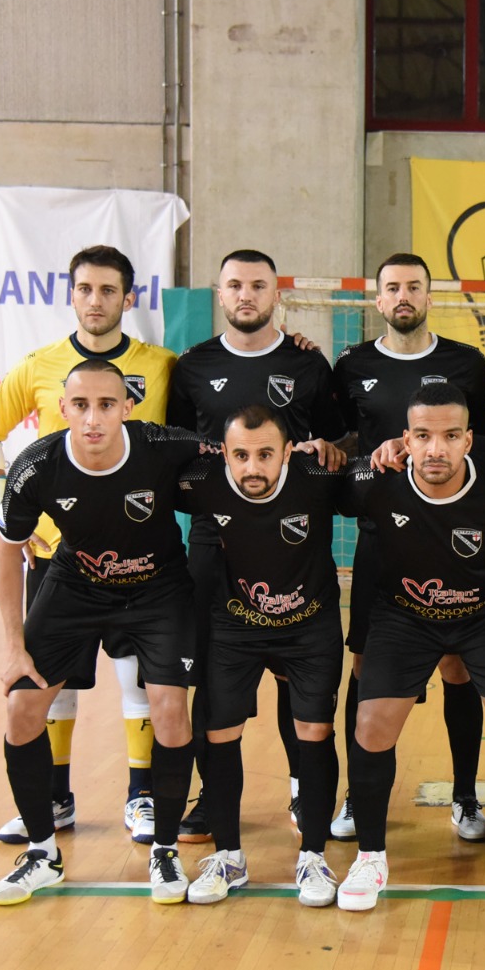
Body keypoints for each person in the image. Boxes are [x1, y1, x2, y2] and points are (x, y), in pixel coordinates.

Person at [0, 244, 176, 848]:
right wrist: (4, 508)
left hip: (139, 558)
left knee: (139, 679)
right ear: (71, 294)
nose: (95, 300)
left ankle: (141, 796)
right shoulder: (40, 365)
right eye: (85, 288)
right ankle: (55, 798)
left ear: (128, 298)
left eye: (109, 290)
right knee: (49, 684)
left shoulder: (161, 366)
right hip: (58, 558)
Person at [0, 360, 212, 906]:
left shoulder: (162, 444)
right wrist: (14, 648)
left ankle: (164, 849)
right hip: (75, 585)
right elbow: (7, 551)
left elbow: (238, 453)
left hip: (158, 588)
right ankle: (42, 853)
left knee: (170, 711)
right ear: (62, 409)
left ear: (127, 408)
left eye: (107, 405)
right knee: (21, 709)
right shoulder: (35, 467)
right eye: (82, 406)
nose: (93, 419)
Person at [334, 384, 485, 914]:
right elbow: (305, 490)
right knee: (371, 725)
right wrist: (319, 449)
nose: (436, 449)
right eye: (423, 436)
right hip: (404, 615)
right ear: (405, 439)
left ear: (469, 440)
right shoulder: (375, 480)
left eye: (451, 436)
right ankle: (370, 856)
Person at [165, 247, 346, 842]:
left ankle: (302, 791)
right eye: (235, 285)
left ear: (277, 295)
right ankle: (209, 799)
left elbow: (336, 440)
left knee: (298, 675)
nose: (246, 295)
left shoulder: (308, 363)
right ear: (220, 293)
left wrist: (326, 449)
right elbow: (177, 449)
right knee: (213, 678)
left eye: (258, 285)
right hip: (215, 544)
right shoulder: (192, 367)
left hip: (294, 542)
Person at [330, 252, 485, 845]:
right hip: (382, 538)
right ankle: (357, 795)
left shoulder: (467, 363)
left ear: (430, 296)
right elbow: (339, 439)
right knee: (365, 665)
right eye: (393, 288)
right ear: (378, 299)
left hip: (453, 537)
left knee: (457, 665)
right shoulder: (352, 365)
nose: (404, 296)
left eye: (414, 287)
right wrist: (363, 457)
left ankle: (466, 796)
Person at [173, 404, 346, 906]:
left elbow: (379, 477)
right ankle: (229, 856)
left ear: (289, 452)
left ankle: (313, 856)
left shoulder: (318, 476)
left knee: (314, 731)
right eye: (241, 456)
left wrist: (362, 448)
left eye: (266, 454)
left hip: (309, 625)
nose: (253, 468)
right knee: (219, 732)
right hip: (236, 624)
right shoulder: (203, 480)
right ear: (223, 454)